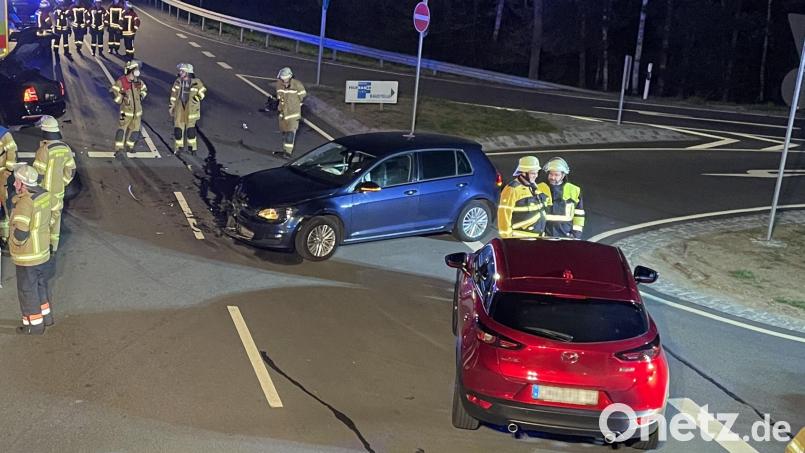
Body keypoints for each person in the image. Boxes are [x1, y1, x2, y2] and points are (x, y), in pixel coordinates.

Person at [10, 164, 59, 335]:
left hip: (28, 255)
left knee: (27, 290)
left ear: (23, 184)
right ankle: (46, 318)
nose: (14, 184)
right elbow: (56, 210)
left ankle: (34, 326)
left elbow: (21, 233)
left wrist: (13, 243)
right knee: (40, 285)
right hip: (42, 252)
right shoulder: (45, 195)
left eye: (17, 181)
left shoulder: (25, 202)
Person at [32, 116, 76, 253]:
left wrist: (34, 189)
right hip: (58, 191)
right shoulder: (65, 148)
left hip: (44, 192)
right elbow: (71, 169)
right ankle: (54, 246)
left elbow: (38, 174)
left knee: (44, 218)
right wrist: (63, 182)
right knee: (56, 217)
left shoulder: (44, 150)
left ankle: (44, 245)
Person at [497, 156, 551, 238]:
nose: (536, 176)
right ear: (523, 173)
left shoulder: (533, 186)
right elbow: (504, 215)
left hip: (537, 236)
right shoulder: (511, 189)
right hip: (520, 238)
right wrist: (506, 239)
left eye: (537, 172)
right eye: (533, 173)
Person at [538, 157, 585, 239]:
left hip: (566, 235)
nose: (553, 177)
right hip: (543, 235)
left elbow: (579, 214)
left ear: (563, 175)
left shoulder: (574, 190)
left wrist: (576, 234)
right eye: (551, 174)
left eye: (556, 175)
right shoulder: (539, 188)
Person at [169, 63, 207, 155]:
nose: (180, 72)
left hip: (191, 109)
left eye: (182, 71)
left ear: (188, 72)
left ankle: (192, 148)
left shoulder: (196, 82)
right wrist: (172, 106)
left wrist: (196, 98)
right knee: (178, 130)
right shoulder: (178, 82)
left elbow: (203, 90)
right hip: (179, 108)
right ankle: (178, 148)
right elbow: (173, 95)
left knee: (190, 130)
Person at [111, 60, 147, 152]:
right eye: (136, 69)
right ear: (131, 70)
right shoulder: (121, 82)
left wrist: (141, 96)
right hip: (125, 113)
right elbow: (115, 96)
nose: (137, 71)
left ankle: (129, 146)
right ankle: (119, 148)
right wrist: (121, 96)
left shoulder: (138, 82)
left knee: (135, 131)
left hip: (137, 113)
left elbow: (144, 90)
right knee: (121, 130)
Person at [272, 67, 306, 158]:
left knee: (290, 133)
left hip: (293, 114)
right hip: (283, 113)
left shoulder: (297, 84)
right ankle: (285, 150)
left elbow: (303, 96)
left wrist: (296, 105)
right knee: (285, 132)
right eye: (282, 78)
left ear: (290, 76)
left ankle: (288, 153)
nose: (284, 80)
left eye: (285, 78)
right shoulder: (279, 84)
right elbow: (279, 97)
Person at [0, 126, 19, 244]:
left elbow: (12, 150)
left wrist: (8, 170)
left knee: (2, 205)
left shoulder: (3, 134)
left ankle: (4, 235)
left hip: (1, 176)